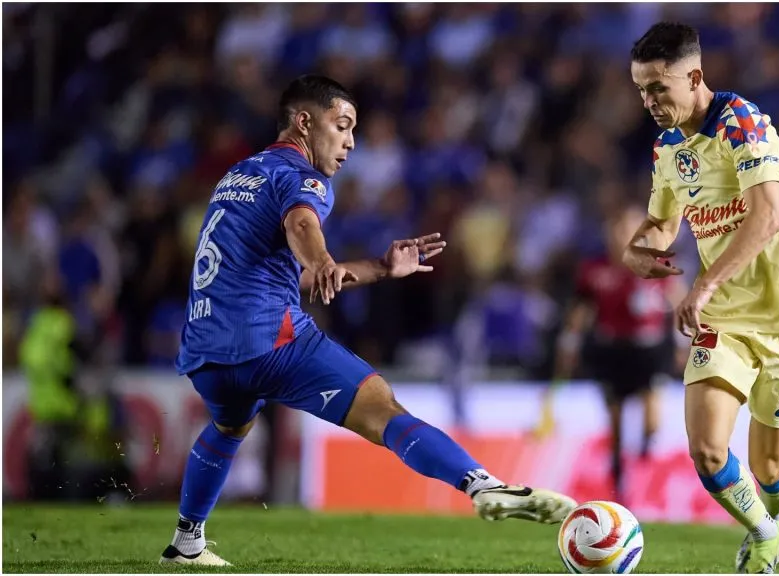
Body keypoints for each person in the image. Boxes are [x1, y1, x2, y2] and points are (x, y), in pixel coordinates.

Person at [162, 75, 576, 566]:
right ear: (303, 122)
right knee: (382, 408)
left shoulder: (238, 176)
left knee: (230, 425)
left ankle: (187, 542)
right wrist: (318, 259)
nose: (351, 142)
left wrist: (379, 268)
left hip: (206, 348)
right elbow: (302, 225)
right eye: (341, 126)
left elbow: (287, 271)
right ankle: (484, 486)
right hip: (269, 338)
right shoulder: (303, 177)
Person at [622, 23, 779, 573]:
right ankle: (764, 533)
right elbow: (660, 225)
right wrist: (638, 250)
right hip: (723, 320)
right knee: (708, 451)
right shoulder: (668, 149)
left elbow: (768, 215)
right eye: (642, 90)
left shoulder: (744, 123)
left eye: (659, 88)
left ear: (694, 77)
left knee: (768, 462)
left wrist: (703, 282)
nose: (649, 101)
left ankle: (772, 521)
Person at [549, 194, 682, 502]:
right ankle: (619, 478)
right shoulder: (594, 269)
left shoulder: (657, 263)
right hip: (612, 350)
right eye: (619, 228)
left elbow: (677, 302)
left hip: (649, 350)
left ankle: (645, 460)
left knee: (652, 419)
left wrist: (681, 341)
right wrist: (568, 343)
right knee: (617, 421)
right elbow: (580, 311)